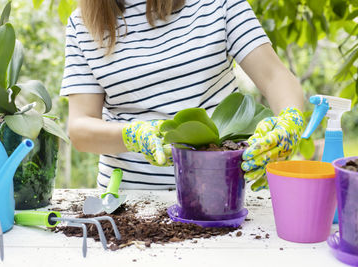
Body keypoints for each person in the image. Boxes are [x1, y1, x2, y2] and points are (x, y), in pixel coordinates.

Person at [60, 0, 304, 190]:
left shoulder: (218, 4)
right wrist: (133, 134)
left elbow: (275, 77)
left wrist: (290, 119)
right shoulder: (82, 24)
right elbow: (80, 128)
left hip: (224, 191)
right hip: (128, 202)